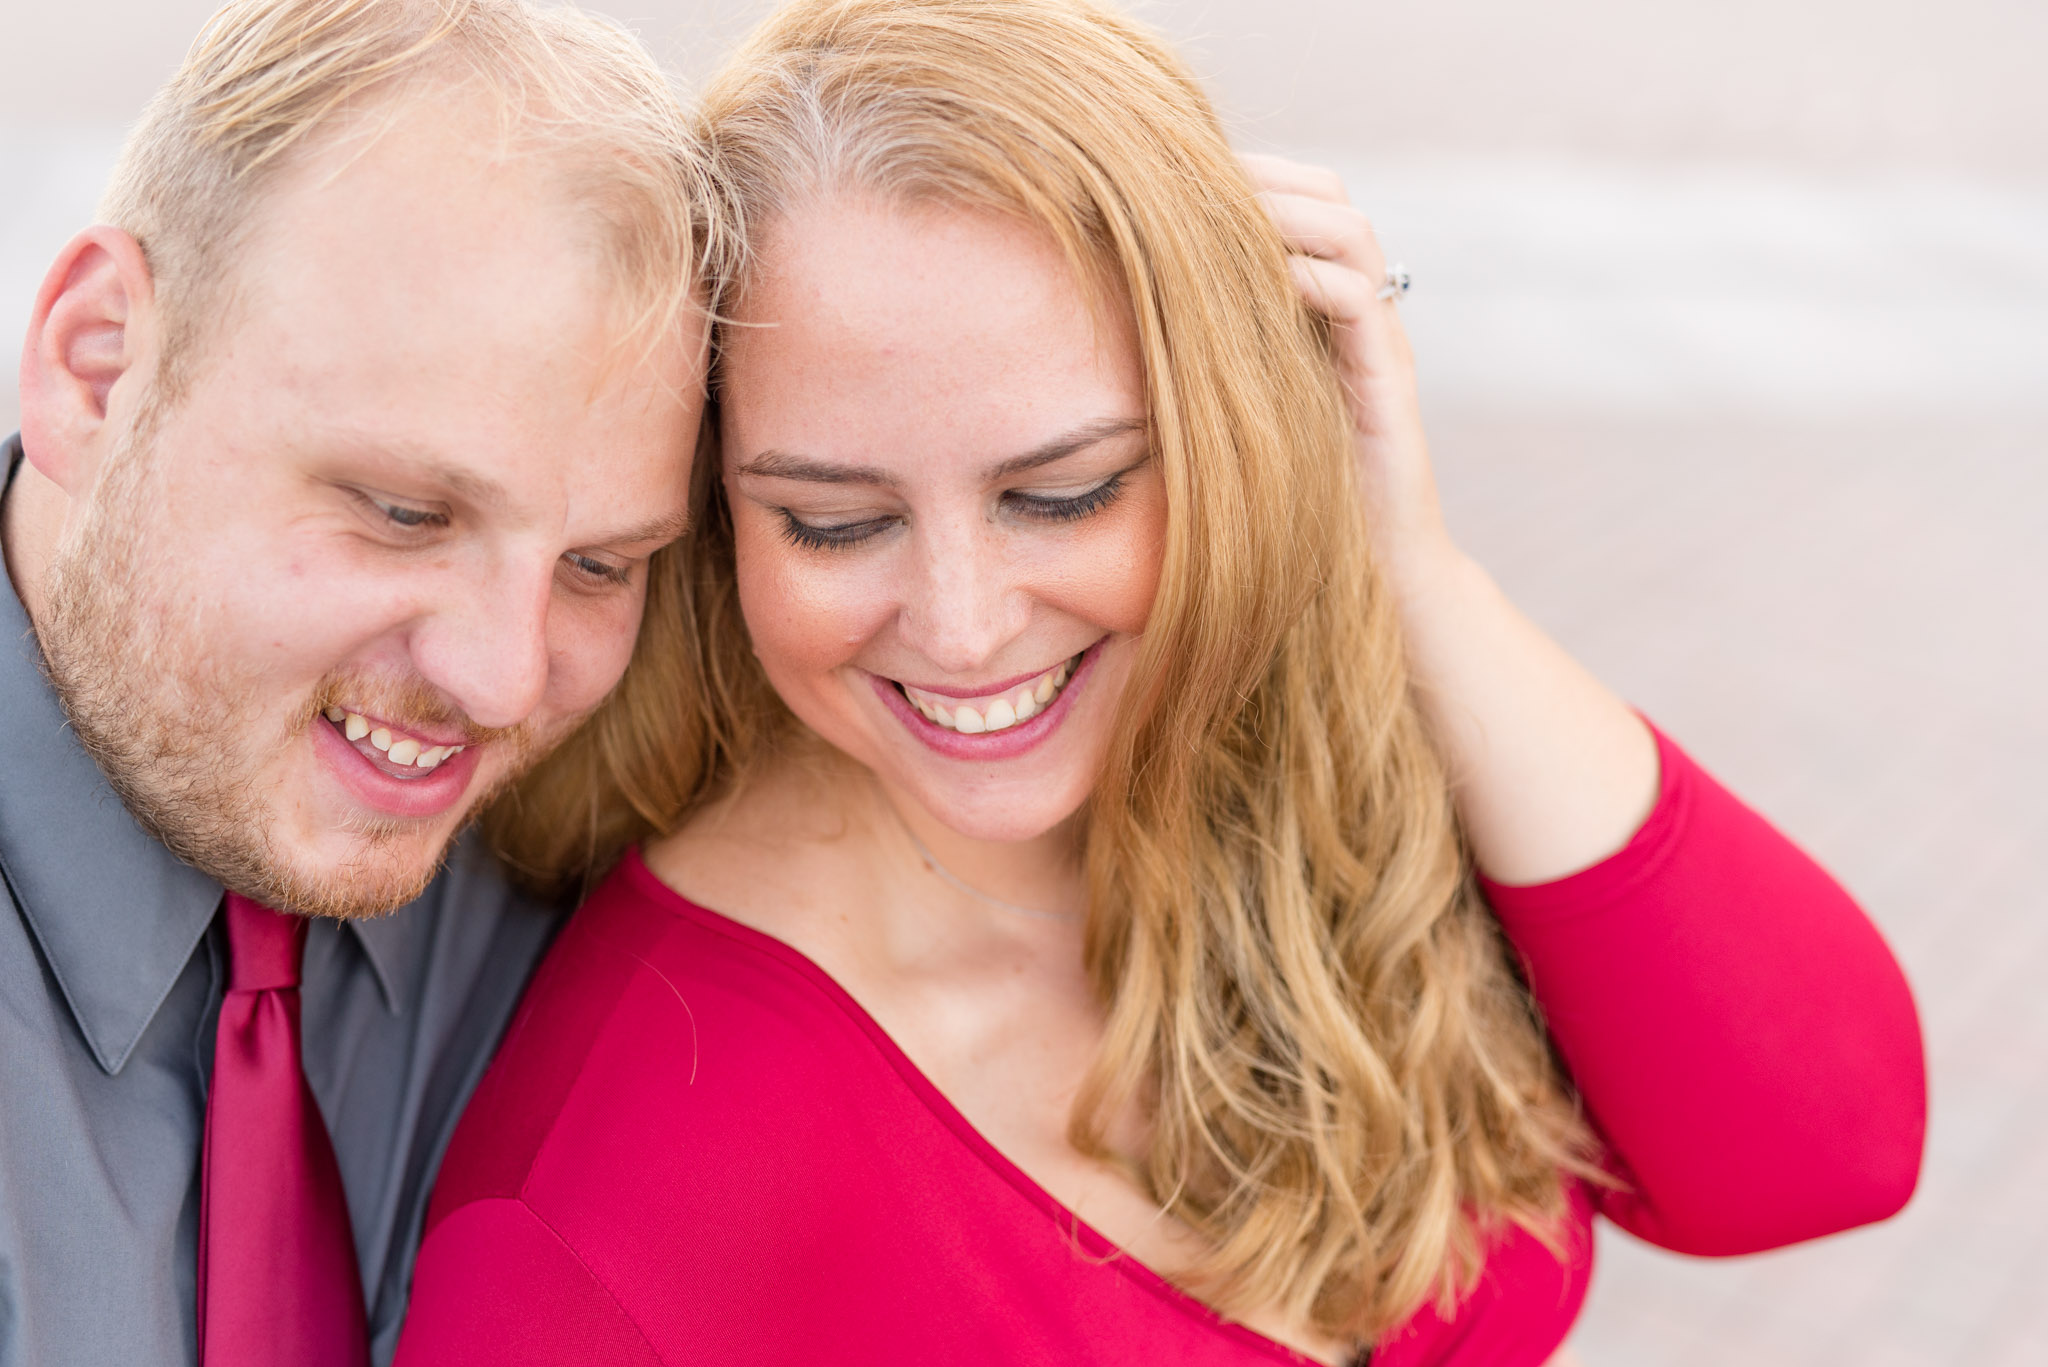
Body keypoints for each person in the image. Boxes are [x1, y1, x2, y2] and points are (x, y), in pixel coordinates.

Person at [397, 0, 1927, 1362]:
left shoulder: (1285, 764)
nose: (966, 621)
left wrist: (1405, 563)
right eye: (836, 521)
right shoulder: (599, 1231)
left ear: (1223, 446)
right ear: (717, 515)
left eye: (1064, 492)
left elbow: (1824, 1148)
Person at [0, 1, 718, 1363]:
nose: (505, 682)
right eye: (401, 511)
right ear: (96, 373)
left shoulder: (591, 875)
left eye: (601, 565)